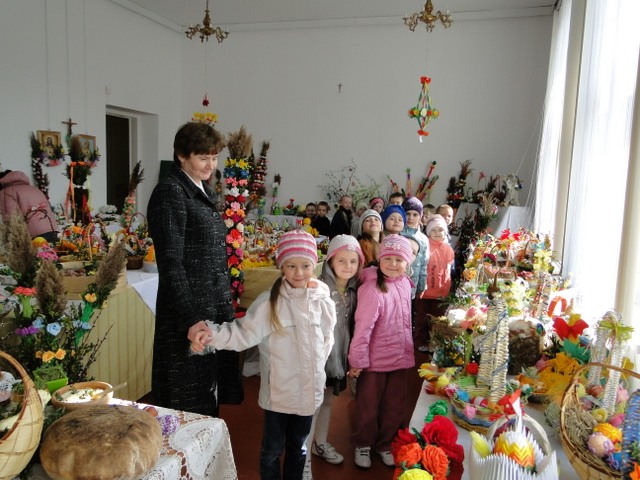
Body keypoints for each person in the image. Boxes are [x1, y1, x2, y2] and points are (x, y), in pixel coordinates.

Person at [190, 230, 336, 480]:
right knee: (272, 451)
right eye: (291, 265)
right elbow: (241, 334)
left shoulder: (322, 302)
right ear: (281, 267)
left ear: (314, 265)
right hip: (278, 396)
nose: (298, 273)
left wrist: (317, 374)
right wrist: (211, 334)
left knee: (299, 448)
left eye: (305, 265)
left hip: (308, 395)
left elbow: (326, 341)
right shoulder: (269, 304)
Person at [147, 122, 242, 417]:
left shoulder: (200, 189)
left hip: (209, 308)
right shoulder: (171, 192)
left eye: (214, 157)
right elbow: (171, 263)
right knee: (187, 404)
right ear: (181, 155)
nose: (210, 165)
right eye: (203, 158)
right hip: (188, 315)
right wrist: (190, 317)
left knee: (207, 394)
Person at [347, 235, 415, 469]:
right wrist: (357, 361)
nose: (393, 264)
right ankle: (363, 443)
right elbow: (363, 328)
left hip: (400, 358)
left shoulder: (405, 283)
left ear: (408, 262)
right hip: (373, 363)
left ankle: (385, 444)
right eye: (388, 258)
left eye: (399, 260)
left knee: (394, 407)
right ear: (380, 259)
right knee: (368, 406)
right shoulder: (371, 289)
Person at [307, 235, 364, 473]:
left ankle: (319, 444)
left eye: (353, 261)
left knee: (328, 401)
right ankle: (303, 457)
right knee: (312, 407)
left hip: (337, 359)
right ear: (330, 261)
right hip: (318, 360)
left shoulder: (355, 290)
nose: (348, 266)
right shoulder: (317, 288)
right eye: (342, 260)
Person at [414, 214, 455, 354]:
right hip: (424, 292)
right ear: (428, 232)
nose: (437, 233)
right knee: (422, 319)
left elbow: (448, 270)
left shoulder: (448, 249)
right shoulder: (424, 246)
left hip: (441, 292)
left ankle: (436, 343)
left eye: (441, 230)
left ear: (445, 232)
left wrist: (447, 288)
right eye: (433, 230)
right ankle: (420, 342)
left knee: (438, 320)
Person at [0, 170, 58, 243]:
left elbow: (10, 219)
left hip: (33, 236)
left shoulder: (6, 192)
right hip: (53, 229)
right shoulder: (34, 188)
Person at [401, 197, 428, 299]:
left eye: (415, 214)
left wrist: (421, 287)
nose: (410, 218)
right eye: (407, 213)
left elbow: (424, 264)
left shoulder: (423, 239)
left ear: (420, 216)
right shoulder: (398, 232)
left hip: (412, 285)